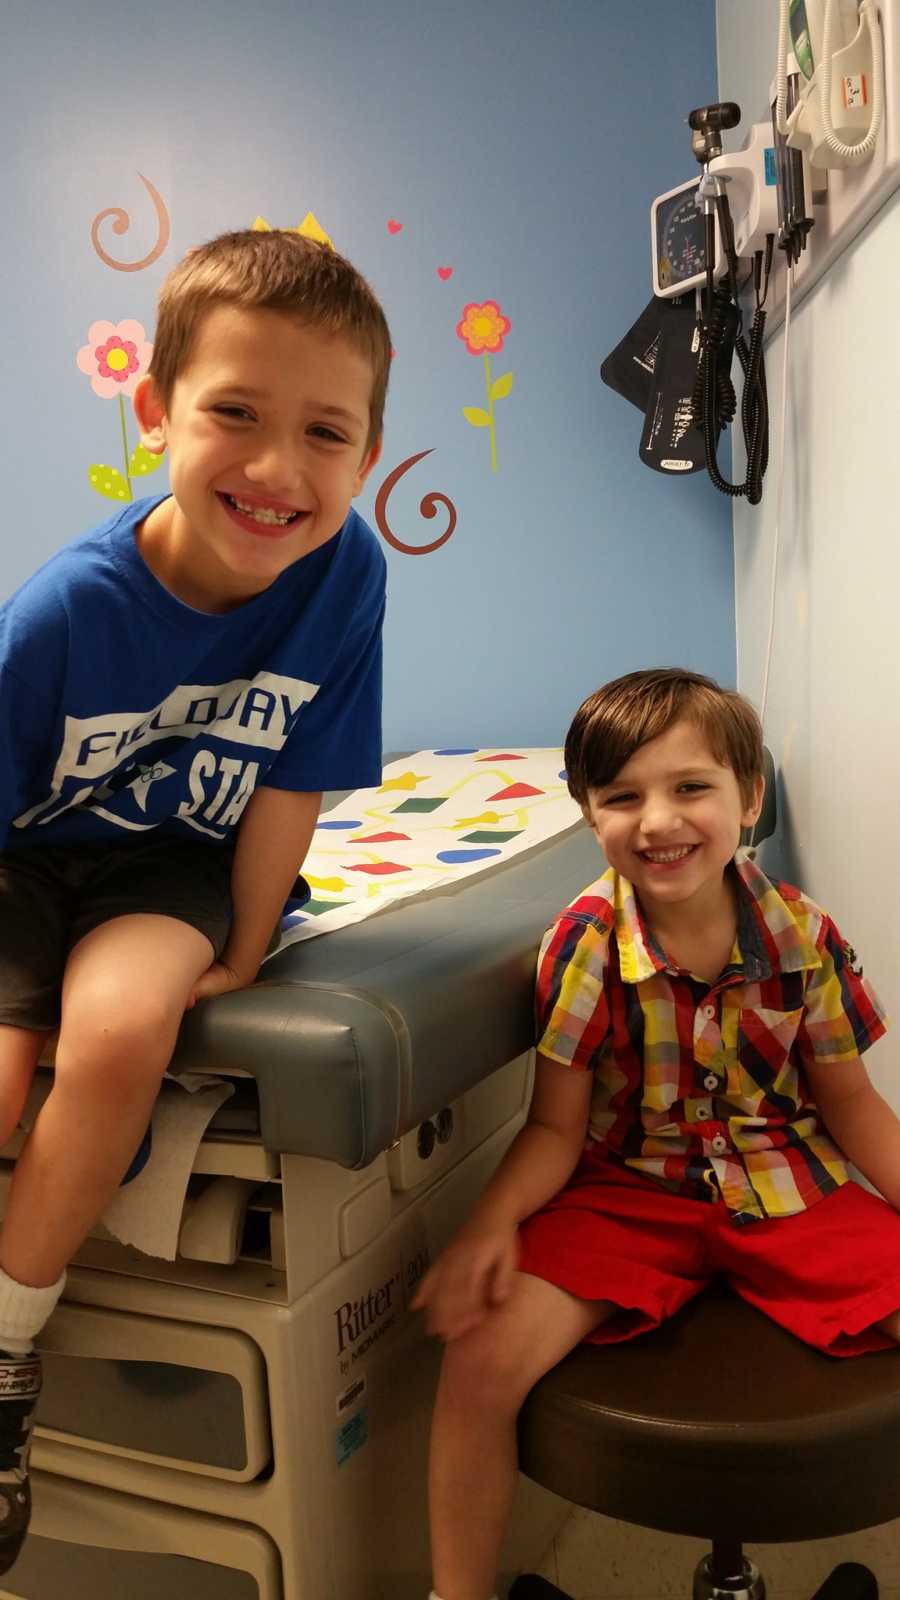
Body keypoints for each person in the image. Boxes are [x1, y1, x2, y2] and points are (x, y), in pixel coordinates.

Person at [0, 228, 390, 1568]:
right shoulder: (61, 614)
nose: (281, 469)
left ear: (366, 457)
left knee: (115, 1036)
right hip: (19, 856)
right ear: (155, 408)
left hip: (167, 855)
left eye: (327, 432)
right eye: (235, 412)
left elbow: (299, 766)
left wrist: (246, 931)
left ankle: (2, 1363)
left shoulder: (347, 577)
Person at [414, 667, 900, 1600]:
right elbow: (554, 1129)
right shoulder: (587, 944)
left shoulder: (805, 937)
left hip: (787, 1185)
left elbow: (853, 1104)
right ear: (587, 816)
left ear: (747, 797)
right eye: (622, 797)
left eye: (690, 788)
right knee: (477, 1355)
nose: (658, 821)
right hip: (631, 1191)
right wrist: (488, 1227)